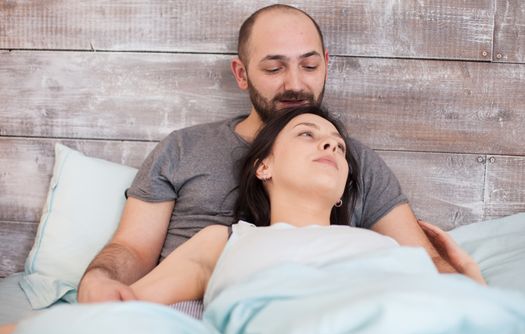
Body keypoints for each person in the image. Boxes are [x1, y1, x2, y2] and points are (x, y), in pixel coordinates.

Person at [0, 106, 486, 334]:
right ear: (264, 168)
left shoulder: (376, 244)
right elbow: (122, 310)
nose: (332, 147)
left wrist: (470, 283)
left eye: (338, 146)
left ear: (344, 193)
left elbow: (453, 314)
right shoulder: (227, 240)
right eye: (308, 135)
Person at [78, 4, 456, 304]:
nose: (295, 84)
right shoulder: (184, 148)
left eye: (310, 66)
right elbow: (132, 247)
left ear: (326, 64)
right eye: (274, 68)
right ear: (241, 74)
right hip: (184, 307)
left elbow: (425, 263)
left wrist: (466, 282)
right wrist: (101, 280)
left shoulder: (348, 160)